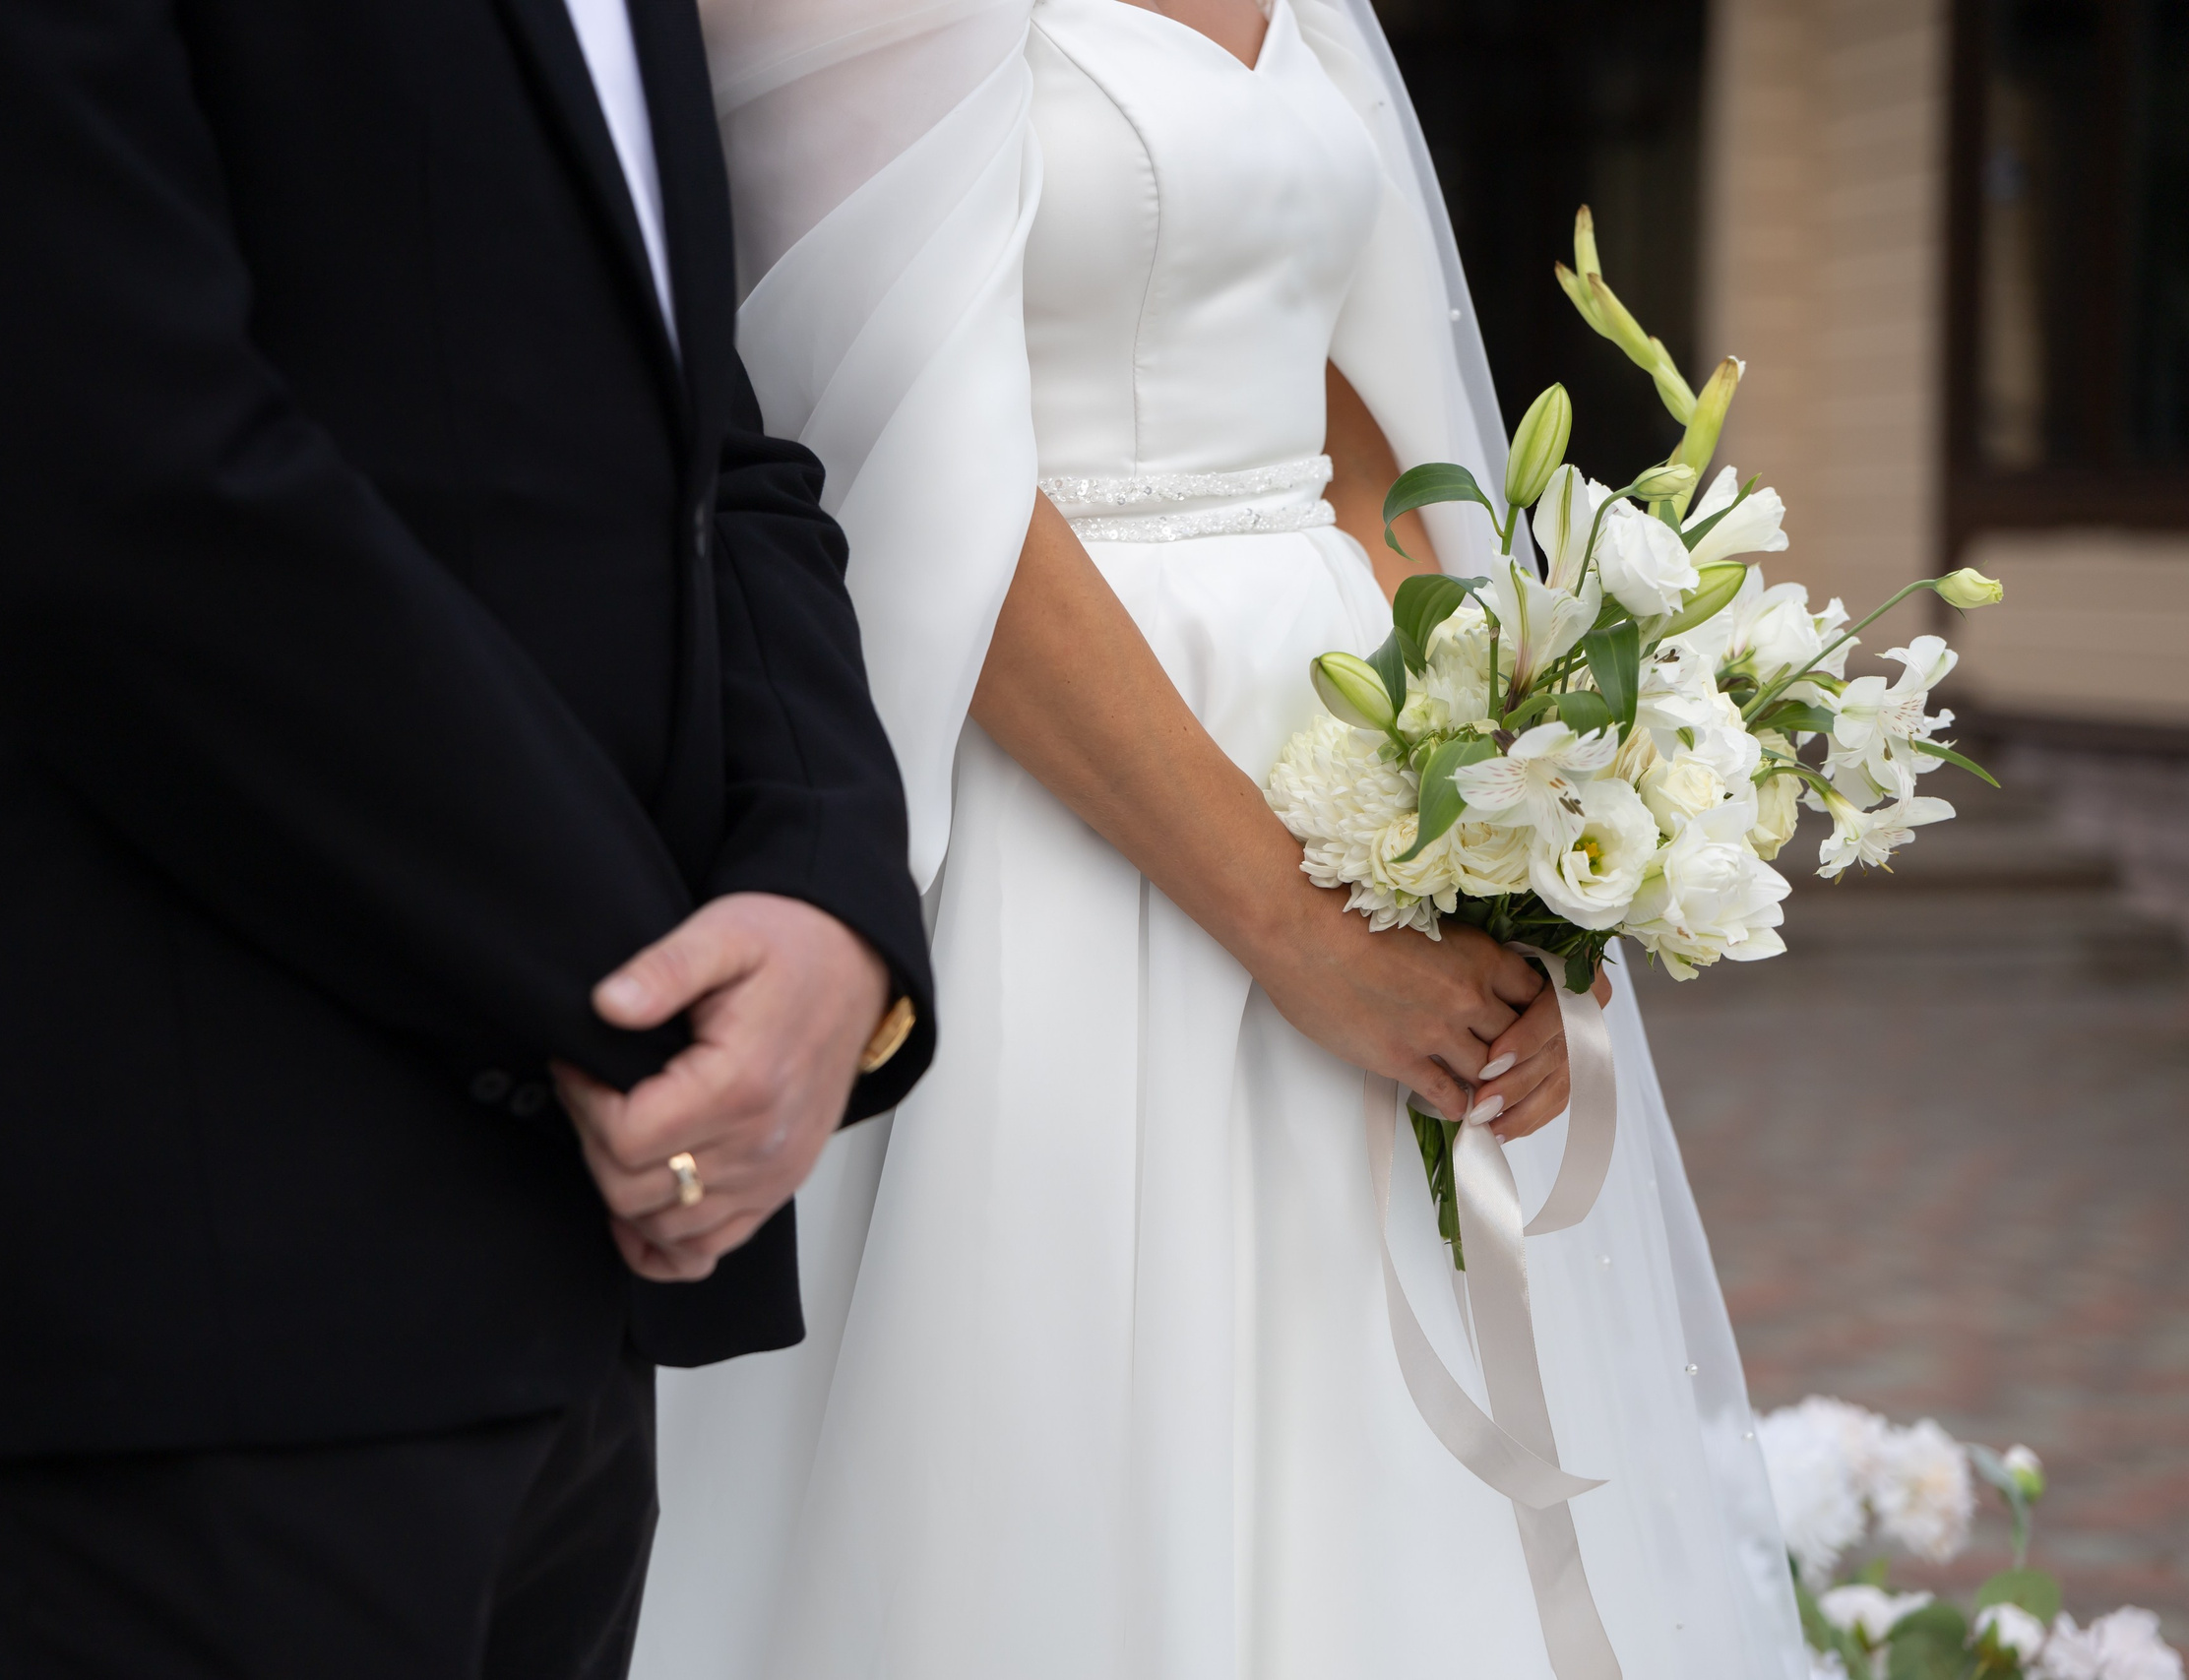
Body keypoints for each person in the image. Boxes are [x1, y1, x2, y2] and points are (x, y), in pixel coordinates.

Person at [0, 0, 933, 1673]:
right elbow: (105, 499)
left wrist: (826, 886)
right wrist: (636, 983)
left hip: (557, 1281)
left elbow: (692, 435)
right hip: (193, 1282)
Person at [630, 0, 1812, 1674]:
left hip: (1336, 742)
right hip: (1046, 785)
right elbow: (910, 467)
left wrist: (1512, 822)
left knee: (1360, 1435)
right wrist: (1309, 942)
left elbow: (1346, 427)